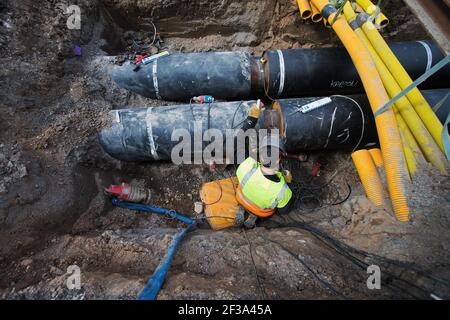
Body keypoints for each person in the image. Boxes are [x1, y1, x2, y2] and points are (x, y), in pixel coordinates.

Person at [235, 134, 293, 228]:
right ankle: (253, 218)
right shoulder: (282, 190)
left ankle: (241, 210)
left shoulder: (247, 166)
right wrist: (289, 183)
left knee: (244, 191)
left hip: (241, 198)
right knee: (267, 207)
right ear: (278, 160)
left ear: (261, 157)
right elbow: (284, 211)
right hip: (260, 211)